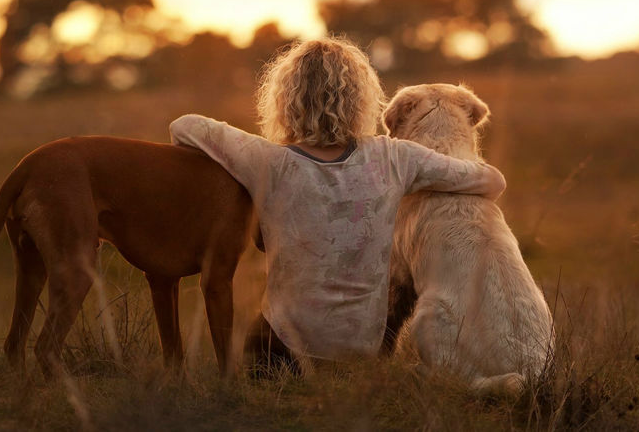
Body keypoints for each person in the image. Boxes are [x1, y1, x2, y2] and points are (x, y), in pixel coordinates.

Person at [169, 37, 505, 373]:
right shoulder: (396, 157)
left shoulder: (267, 160)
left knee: (259, 335)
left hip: (285, 351)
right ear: (363, 101)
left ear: (285, 101)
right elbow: (492, 181)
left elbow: (183, 127)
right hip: (364, 353)